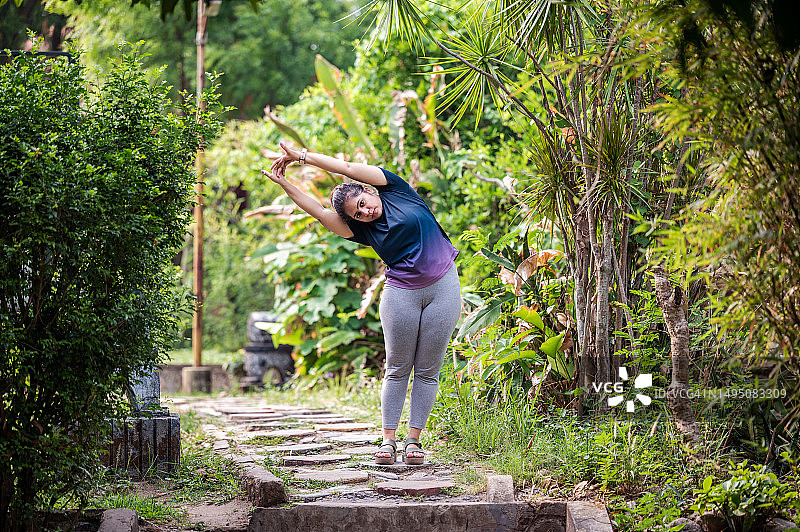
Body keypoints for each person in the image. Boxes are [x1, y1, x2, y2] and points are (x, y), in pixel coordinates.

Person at [262, 142, 462, 465]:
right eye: (357, 214)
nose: (365, 212)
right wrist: (285, 183)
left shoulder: (395, 189)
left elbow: (346, 169)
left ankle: (414, 440)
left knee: (428, 370)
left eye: (363, 204)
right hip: (401, 294)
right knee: (397, 368)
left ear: (368, 191)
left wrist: (301, 157)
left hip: (443, 288)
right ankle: (388, 441)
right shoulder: (364, 231)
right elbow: (319, 212)